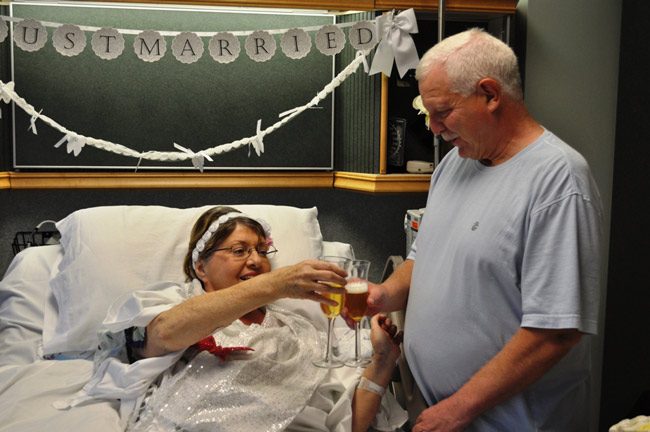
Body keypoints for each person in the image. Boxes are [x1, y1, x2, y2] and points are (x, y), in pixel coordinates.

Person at [364, 28, 603, 431]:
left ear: (491, 94)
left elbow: (555, 332)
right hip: (448, 411)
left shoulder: (558, 181)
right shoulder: (456, 163)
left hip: (512, 422)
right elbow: (425, 255)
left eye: (442, 112)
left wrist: (459, 407)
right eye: (427, 112)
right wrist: (384, 295)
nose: (433, 128)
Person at [79, 206, 407, 432]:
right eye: (239, 251)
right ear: (201, 267)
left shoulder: (304, 333)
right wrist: (276, 284)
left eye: (262, 252)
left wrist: (382, 362)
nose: (255, 261)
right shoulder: (172, 306)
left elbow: (347, 424)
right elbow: (160, 336)